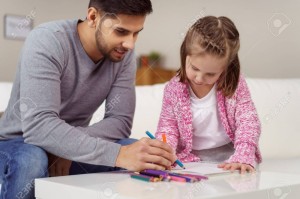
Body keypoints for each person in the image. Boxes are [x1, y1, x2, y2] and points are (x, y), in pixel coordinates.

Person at [0, 1, 176, 198]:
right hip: (17, 143)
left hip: (71, 147)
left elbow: (120, 121)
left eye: (136, 33)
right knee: (31, 160)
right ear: (93, 17)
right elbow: (39, 127)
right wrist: (116, 155)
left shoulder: (123, 54)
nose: (130, 44)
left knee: (140, 153)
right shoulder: (47, 40)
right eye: (121, 31)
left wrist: (67, 147)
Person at [155, 16, 262, 174]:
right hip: (190, 160)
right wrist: (165, 151)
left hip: (232, 158)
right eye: (195, 68)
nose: (199, 78)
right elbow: (167, 127)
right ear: (185, 55)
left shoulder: (235, 84)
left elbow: (248, 121)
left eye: (210, 74)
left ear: (225, 68)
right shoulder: (173, 89)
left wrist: (243, 153)